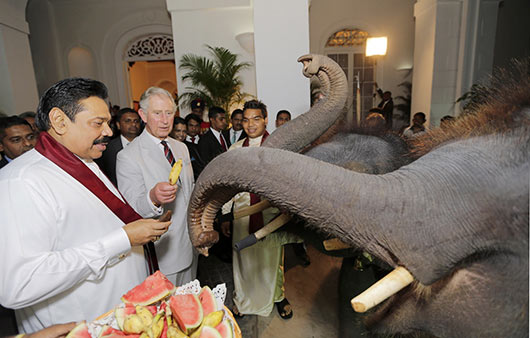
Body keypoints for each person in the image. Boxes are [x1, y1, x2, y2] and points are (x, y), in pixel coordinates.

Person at [0, 78, 170, 332]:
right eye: (98, 123)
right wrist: (121, 239)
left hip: (120, 320)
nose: (109, 132)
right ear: (59, 121)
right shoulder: (21, 181)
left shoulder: (87, 163)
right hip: (82, 326)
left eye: (107, 123)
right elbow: (18, 285)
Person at [221, 100, 300, 320]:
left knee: (272, 261)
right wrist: (226, 215)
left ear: (266, 119)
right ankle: (243, 299)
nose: (250, 124)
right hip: (243, 213)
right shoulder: (236, 149)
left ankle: (278, 296)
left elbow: (288, 182)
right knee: (244, 260)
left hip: (270, 213)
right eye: (245, 120)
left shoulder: (278, 147)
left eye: (256, 118)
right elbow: (228, 186)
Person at [116, 87, 197, 286]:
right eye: (157, 113)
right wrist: (152, 197)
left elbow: (190, 189)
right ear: (143, 115)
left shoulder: (181, 147)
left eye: (169, 113)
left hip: (190, 244)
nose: (164, 120)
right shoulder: (128, 156)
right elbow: (132, 208)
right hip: (164, 251)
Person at [96, 108, 141, 185]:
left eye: (136, 121)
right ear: (118, 125)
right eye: (128, 121)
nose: (133, 124)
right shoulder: (107, 148)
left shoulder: (147, 145)